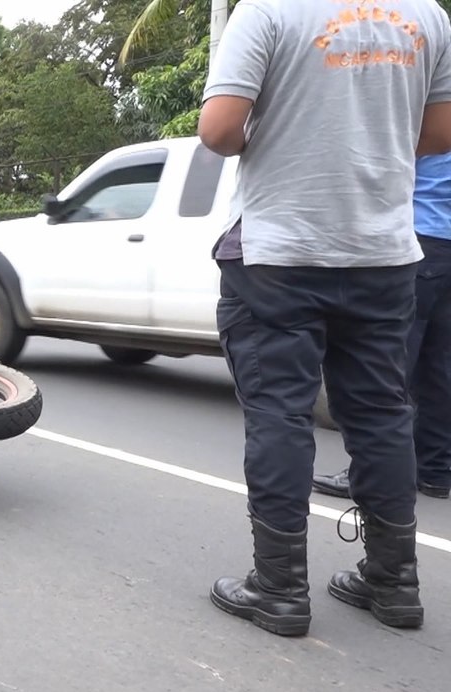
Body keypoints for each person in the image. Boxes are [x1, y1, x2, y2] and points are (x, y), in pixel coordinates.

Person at [199, 0, 451, 636]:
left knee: (280, 414)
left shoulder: (268, 11)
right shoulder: (429, 16)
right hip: (384, 254)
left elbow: (220, 130)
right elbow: (440, 132)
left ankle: (279, 590)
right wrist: (372, 148)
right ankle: (394, 583)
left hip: (282, 250)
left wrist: (291, 140)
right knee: (382, 414)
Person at [313, 153, 451, 503]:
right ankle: (435, 472)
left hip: (419, 241)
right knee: (439, 368)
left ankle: (370, 474)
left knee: (388, 368)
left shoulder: (430, 113)